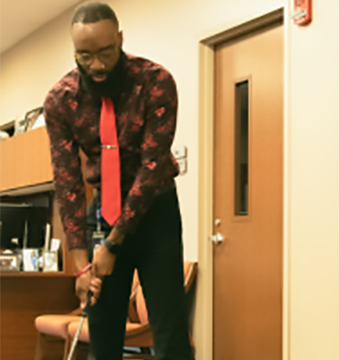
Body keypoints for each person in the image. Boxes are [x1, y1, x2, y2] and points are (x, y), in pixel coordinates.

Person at [43, 2, 194, 360]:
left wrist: (113, 244)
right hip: (104, 209)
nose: (96, 65)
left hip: (155, 210)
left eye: (105, 53)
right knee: (103, 333)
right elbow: (68, 183)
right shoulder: (60, 100)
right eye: (85, 55)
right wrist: (81, 265)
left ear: (120, 40)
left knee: (169, 333)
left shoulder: (155, 82)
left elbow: (153, 165)